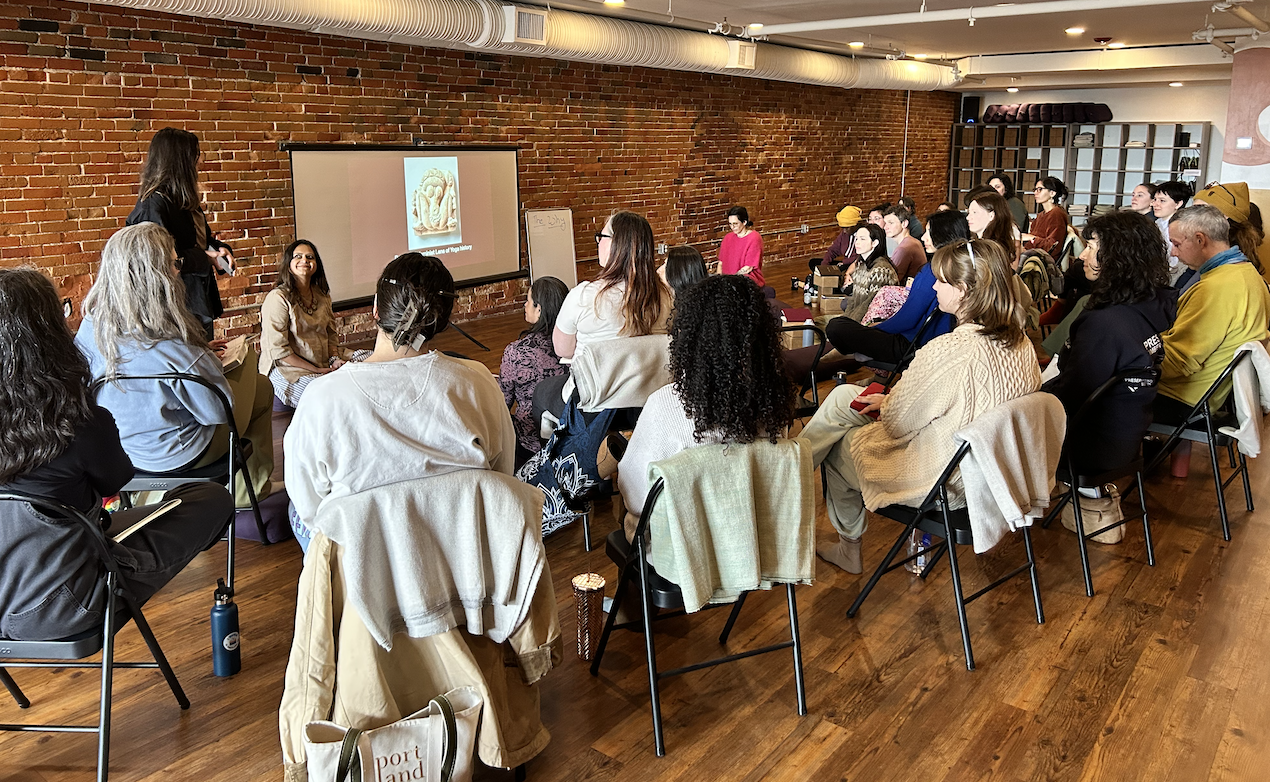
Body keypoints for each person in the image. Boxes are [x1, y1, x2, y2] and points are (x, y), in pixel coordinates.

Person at [0, 267, 233, 641]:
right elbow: (116, 481)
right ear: (49, 333)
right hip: (72, 602)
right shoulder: (78, 421)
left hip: (5, 598)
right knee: (211, 497)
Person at [803, 238, 1041, 574]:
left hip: (945, 483)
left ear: (962, 290)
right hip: (995, 473)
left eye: (940, 281)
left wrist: (890, 403)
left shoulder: (950, 350)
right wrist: (889, 400)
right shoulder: (1022, 344)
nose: (934, 287)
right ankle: (788, 471)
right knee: (844, 399)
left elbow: (898, 423)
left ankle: (840, 540)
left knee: (838, 445)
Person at [286, 253, 515, 542]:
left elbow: (311, 509)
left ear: (375, 309)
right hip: (464, 550)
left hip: (361, 560)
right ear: (443, 319)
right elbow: (501, 476)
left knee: (294, 511)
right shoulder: (478, 382)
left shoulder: (322, 398)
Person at [75, 222, 275, 509]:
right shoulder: (171, 339)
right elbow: (217, 411)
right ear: (155, 274)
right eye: (174, 263)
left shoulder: (90, 328)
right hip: (183, 453)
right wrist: (205, 358)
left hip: (123, 451)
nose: (178, 270)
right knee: (260, 382)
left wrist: (200, 354)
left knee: (255, 389)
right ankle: (248, 493)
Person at [615, 274, 796, 537]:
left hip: (682, 548)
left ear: (689, 338)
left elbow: (635, 496)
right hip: (753, 538)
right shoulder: (772, 405)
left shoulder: (665, 406)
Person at [1043, 211, 1176, 477]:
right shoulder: (1147, 306)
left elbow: (1071, 395)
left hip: (1089, 444)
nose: (1082, 256)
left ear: (1118, 257)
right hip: (1126, 436)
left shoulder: (1105, 323)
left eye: (1091, 248)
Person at [532, 210, 671, 422]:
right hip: (648, 404)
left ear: (617, 245)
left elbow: (563, 350)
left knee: (541, 392)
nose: (598, 242)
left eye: (602, 236)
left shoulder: (583, 296)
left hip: (592, 405)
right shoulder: (667, 297)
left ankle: (553, 444)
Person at [1157, 205, 1270, 427]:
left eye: (1176, 244)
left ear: (1200, 240)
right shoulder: (1249, 274)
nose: (1173, 252)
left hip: (1183, 398)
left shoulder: (1216, 288)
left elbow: (1179, 362)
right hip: (1210, 397)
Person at [127, 127, 234, 339]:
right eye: (195, 155)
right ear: (179, 160)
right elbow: (158, 260)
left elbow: (200, 240)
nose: (200, 161)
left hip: (197, 299)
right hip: (173, 307)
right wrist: (205, 258)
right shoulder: (153, 206)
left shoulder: (183, 198)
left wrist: (220, 249)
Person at [823, 210, 963, 365]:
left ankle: (857, 351)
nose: (923, 237)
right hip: (923, 338)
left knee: (836, 326)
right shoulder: (956, 268)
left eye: (929, 232)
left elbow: (908, 319)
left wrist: (877, 328)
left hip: (910, 344)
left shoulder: (933, 271)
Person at [259, 240, 361, 408]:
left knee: (370, 359)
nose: (304, 260)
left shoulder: (322, 295)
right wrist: (317, 371)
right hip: (288, 368)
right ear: (288, 265)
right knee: (323, 394)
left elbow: (331, 334)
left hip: (322, 359)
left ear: (316, 265)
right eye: (298, 256)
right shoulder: (278, 298)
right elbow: (279, 351)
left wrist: (335, 359)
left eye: (310, 257)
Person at [499, 276, 569, 466]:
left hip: (530, 443)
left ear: (539, 309)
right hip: (571, 438)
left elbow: (503, 403)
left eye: (528, 300)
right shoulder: (577, 347)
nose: (525, 305)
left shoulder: (516, 352)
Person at [838, 223, 898, 322]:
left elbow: (870, 306)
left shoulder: (881, 270)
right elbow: (854, 300)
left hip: (870, 323)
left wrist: (849, 324)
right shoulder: (861, 265)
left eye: (862, 239)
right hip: (856, 318)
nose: (857, 243)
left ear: (875, 243)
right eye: (856, 239)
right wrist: (845, 318)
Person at [1152, 180, 1192, 283]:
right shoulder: (1157, 222)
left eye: (1162, 201)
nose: (1155, 204)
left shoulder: (1182, 227)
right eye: (1155, 199)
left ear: (1178, 204)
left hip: (1174, 274)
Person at [1023, 176, 1070, 257]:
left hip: (1044, 259)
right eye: (1035, 189)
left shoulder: (1056, 214)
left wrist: (1032, 238)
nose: (1035, 193)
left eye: (1040, 189)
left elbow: (1053, 246)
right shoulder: (1041, 215)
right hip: (1033, 254)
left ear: (1052, 193)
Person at [809, 205, 863, 273]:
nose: (844, 231)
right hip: (843, 263)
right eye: (843, 228)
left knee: (840, 269)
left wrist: (844, 262)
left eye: (847, 228)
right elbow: (833, 250)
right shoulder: (844, 234)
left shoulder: (864, 235)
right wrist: (824, 264)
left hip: (855, 265)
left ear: (856, 224)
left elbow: (860, 257)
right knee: (813, 263)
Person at [719, 206, 764, 286]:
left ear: (744, 222)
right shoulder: (727, 238)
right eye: (730, 224)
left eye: (735, 224)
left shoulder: (754, 238)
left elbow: (748, 268)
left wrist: (731, 281)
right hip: (728, 280)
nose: (732, 227)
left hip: (746, 280)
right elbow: (720, 263)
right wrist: (718, 280)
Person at [967, 190, 1019, 259]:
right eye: (968, 212)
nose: (968, 217)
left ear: (991, 215)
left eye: (974, 212)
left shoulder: (992, 249)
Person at [882, 205, 926, 283]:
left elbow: (891, 280)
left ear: (904, 223)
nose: (885, 227)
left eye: (891, 223)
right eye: (885, 223)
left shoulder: (904, 248)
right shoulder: (913, 242)